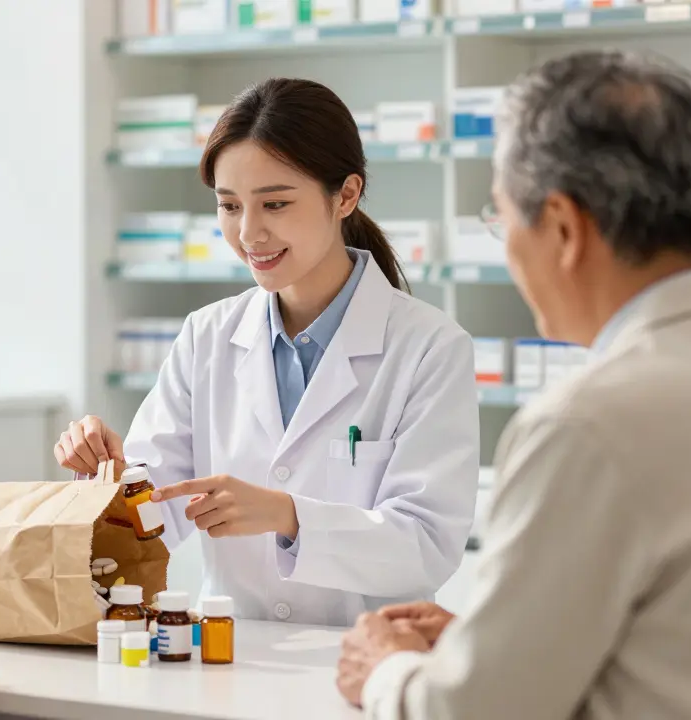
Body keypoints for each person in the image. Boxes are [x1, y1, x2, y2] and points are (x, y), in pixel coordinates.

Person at [338, 49, 691, 719]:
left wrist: (386, 671)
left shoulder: (586, 426)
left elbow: (475, 714)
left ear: (563, 229)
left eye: (502, 221)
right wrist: (495, 644)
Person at [57, 78, 480, 627]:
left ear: (346, 195)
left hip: (361, 660)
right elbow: (157, 508)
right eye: (229, 206)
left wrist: (289, 516)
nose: (249, 232)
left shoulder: (429, 348)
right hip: (230, 654)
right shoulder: (207, 336)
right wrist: (112, 476)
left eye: (275, 203)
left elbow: (426, 545)